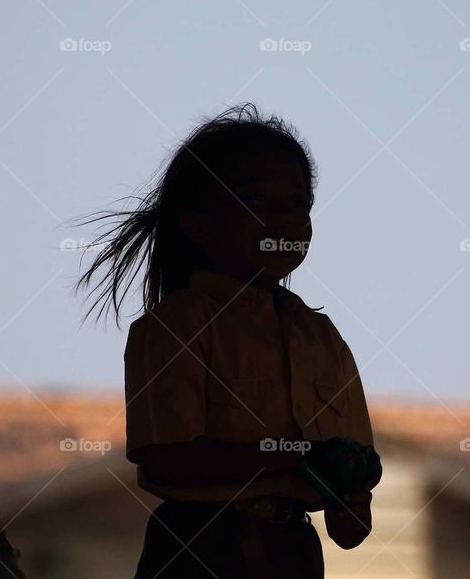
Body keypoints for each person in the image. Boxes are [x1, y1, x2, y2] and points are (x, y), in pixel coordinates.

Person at [73, 103, 381, 578]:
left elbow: (356, 471)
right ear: (195, 223)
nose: (281, 220)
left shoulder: (323, 339)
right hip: (199, 549)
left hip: (296, 554)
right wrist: (297, 459)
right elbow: (166, 461)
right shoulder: (173, 327)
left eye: (297, 204)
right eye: (256, 202)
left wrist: (350, 494)